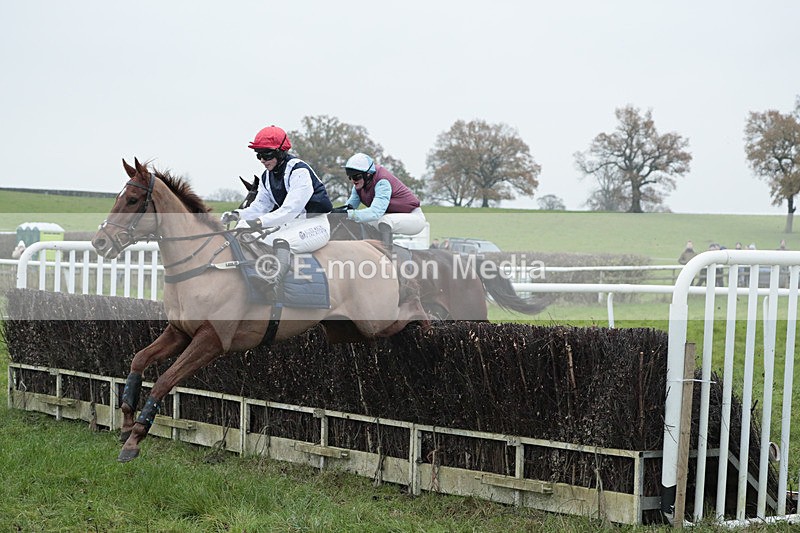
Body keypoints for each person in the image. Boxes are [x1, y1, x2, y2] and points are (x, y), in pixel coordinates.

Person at [220, 125, 333, 292]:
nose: (263, 160)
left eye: (267, 155)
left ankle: (272, 282)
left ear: (281, 152)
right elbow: (260, 206)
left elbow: (290, 210)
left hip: (316, 225)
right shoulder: (267, 177)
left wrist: (257, 222)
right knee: (244, 235)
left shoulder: (298, 171)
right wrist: (237, 214)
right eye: (259, 156)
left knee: (282, 242)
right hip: (291, 225)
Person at [332, 153, 426, 248]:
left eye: (356, 177)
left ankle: (387, 253)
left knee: (385, 221)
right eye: (350, 177)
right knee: (359, 222)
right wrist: (333, 213)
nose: (353, 180)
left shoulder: (382, 183)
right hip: (389, 216)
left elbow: (375, 213)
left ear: (368, 174)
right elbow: (348, 207)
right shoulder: (359, 186)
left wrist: (349, 214)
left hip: (413, 217)